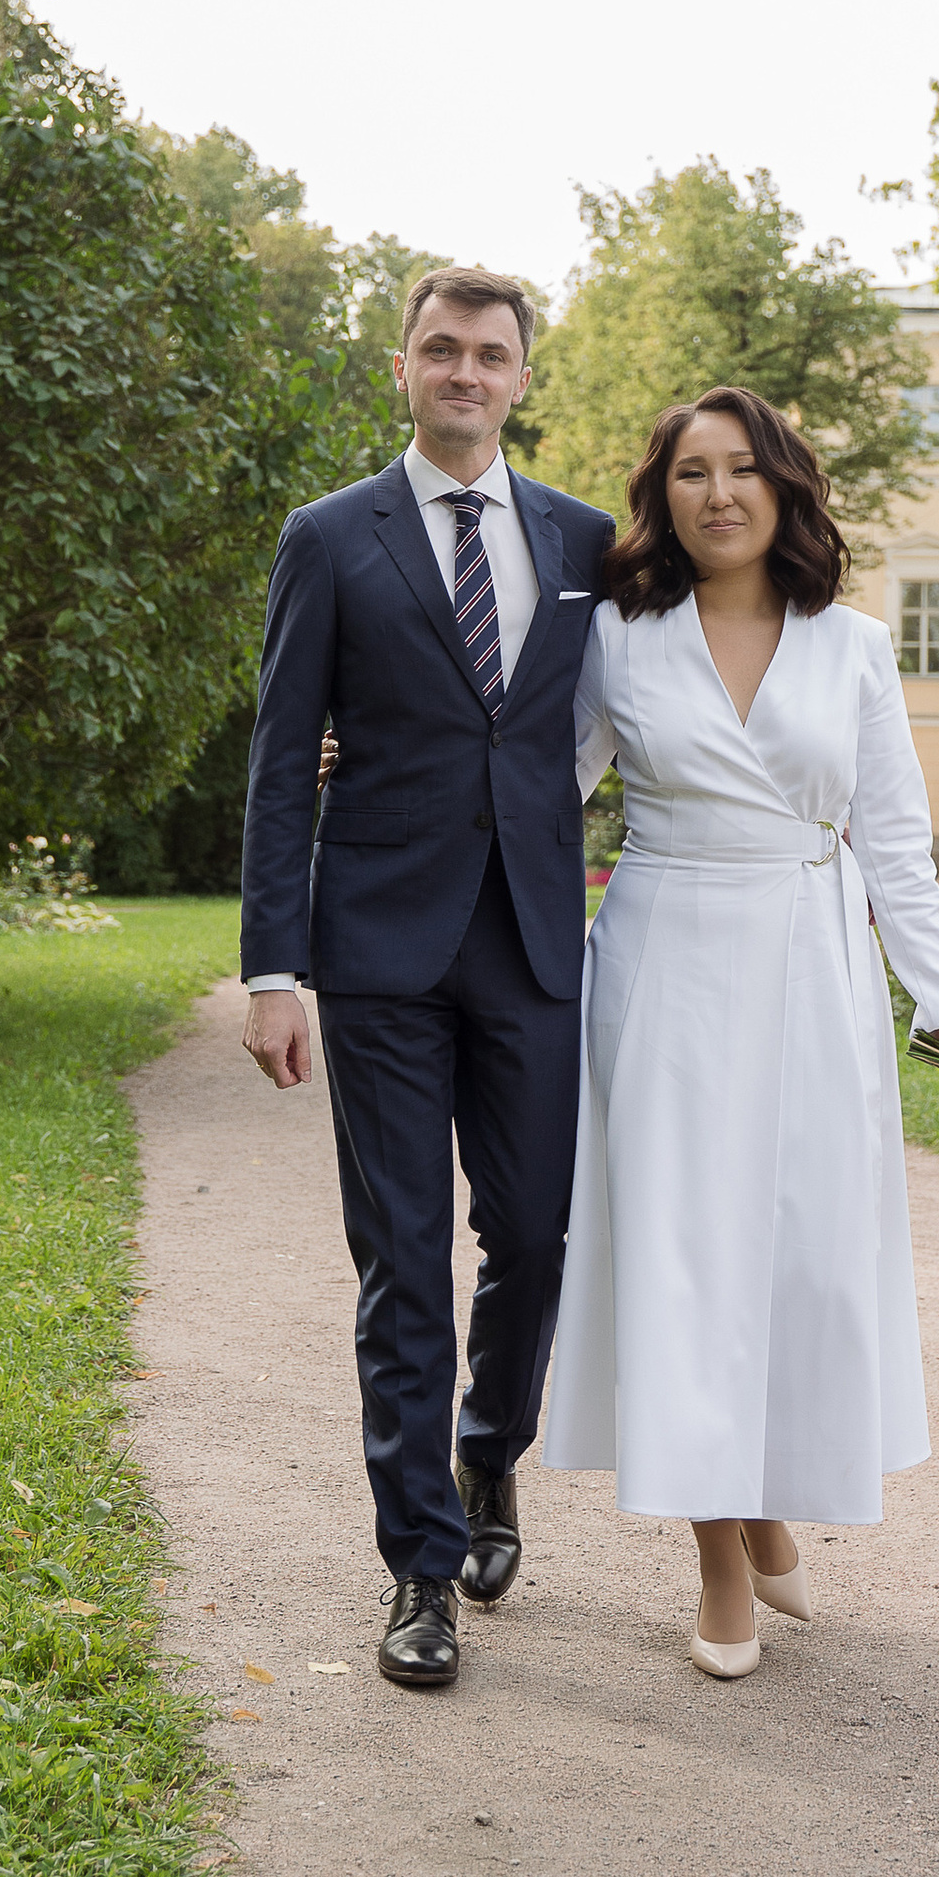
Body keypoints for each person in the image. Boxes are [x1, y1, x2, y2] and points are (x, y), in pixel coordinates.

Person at [540, 388, 939, 1675]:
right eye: (691, 473)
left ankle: (762, 1504)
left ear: (784, 486)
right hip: (666, 966)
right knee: (686, 1259)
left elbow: (895, 846)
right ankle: (718, 1556)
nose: (719, 494)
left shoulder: (853, 646)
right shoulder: (619, 638)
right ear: (662, 498)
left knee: (799, 1259)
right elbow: (534, 786)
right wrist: (375, 765)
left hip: (814, 965)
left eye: (743, 468)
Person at [238, 266, 614, 1692]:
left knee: (534, 1237)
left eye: (490, 354)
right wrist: (272, 968)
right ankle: (418, 1565)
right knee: (402, 1257)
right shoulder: (330, 537)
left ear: (521, 377)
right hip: (378, 952)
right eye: (441, 349)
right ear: (400, 366)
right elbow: (284, 760)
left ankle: (488, 1455)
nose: (466, 372)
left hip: (532, 941)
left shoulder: (586, 541)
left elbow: (614, 711)